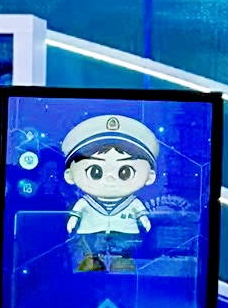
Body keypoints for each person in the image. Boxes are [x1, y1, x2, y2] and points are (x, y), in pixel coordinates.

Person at [62, 114, 157, 272]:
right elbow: (77, 212)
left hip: (124, 234)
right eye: (95, 172)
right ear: (70, 175)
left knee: (123, 262)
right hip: (91, 232)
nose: (110, 178)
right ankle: (92, 262)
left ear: (150, 176)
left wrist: (144, 220)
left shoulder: (132, 202)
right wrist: (73, 220)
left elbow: (140, 213)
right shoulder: (86, 202)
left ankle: (122, 263)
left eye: (125, 172)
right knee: (91, 263)